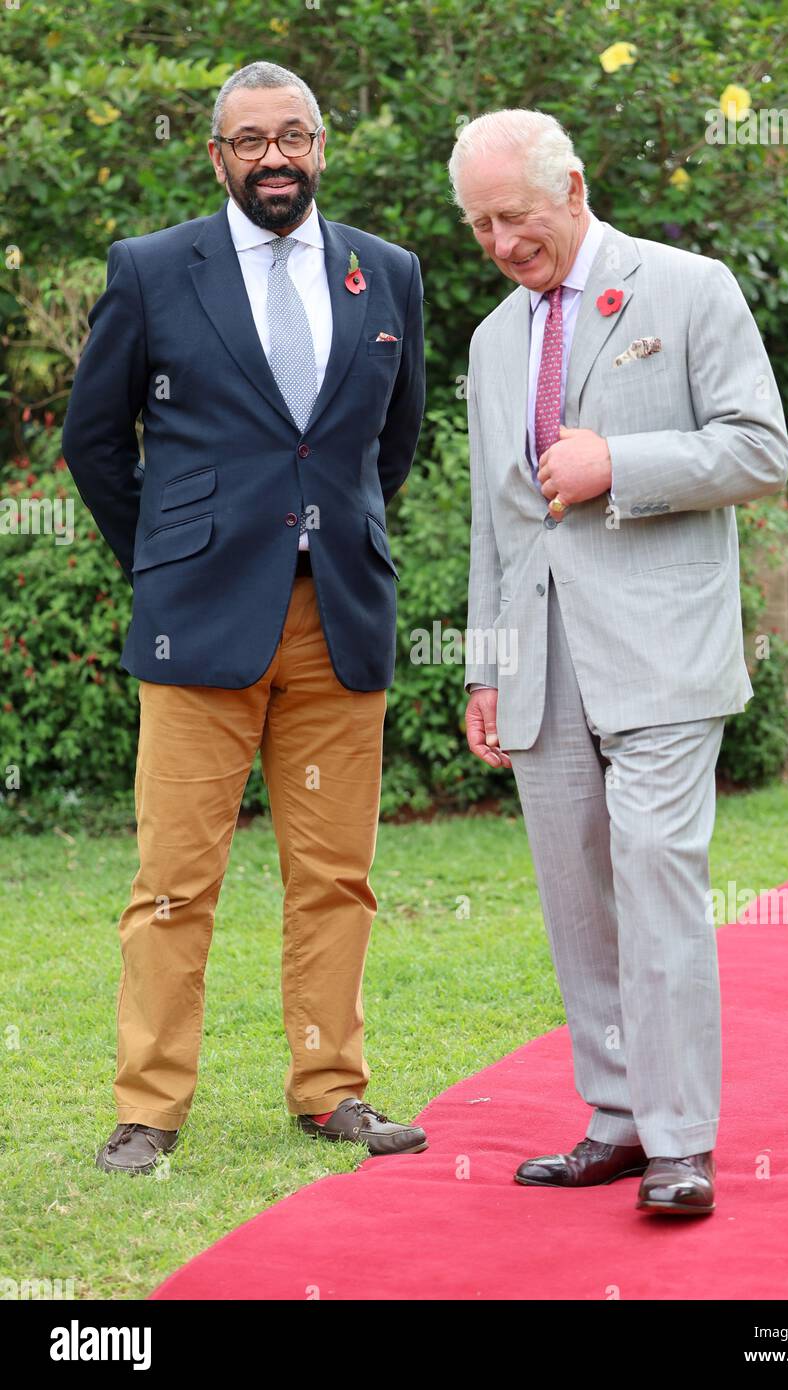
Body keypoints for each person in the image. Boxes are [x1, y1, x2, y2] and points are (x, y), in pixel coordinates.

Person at [62, 61, 427, 1175]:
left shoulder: (388, 273)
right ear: (218, 156)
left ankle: (330, 1090)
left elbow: (389, 439)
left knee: (336, 876)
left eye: (295, 137)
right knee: (174, 879)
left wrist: (333, 533)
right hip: (198, 624)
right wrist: (167, 560)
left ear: (321, 146)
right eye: (251, 141)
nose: (276, 158)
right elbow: (94, 438)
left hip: (339, 618)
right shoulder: (154, 269)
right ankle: (148, 1109)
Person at [450, 108, 788, 1215]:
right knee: (577, 900)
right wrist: (485, 666)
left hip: (661, 654)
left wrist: (617, 462)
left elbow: (757, 449)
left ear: (575, 186)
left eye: (515, 215)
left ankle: (680, 1142)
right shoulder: (493, 338)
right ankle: (616, 1118)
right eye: (478, 224)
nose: (500, 242)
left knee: (653, 879)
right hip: (544, 665)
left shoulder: (689, 286)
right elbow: (495, 526)